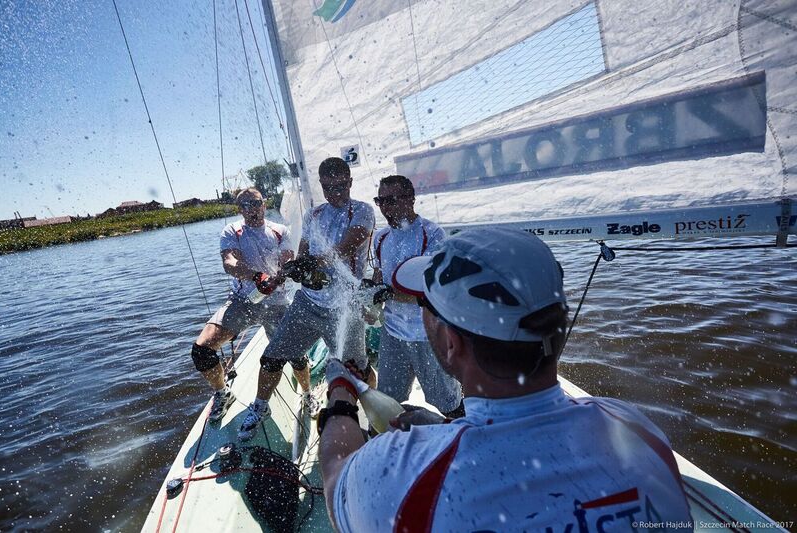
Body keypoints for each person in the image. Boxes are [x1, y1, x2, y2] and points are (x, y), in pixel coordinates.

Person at [318, 228, 693, 532]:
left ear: (451, 343)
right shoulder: (635, 430)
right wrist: (445, 428)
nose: (422, 311)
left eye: (424, 304)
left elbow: (336, 479)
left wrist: (341, 394)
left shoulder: (399, 475)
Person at [237, 157, 376, 441]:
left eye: (340, 186)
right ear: (321, 185)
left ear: (350, 182)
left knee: (357, 371)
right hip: (308, 303)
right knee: (271, 358)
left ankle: (372, 410)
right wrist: (298, 267)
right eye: (328, 187)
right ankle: (260, 406)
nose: (334, 192)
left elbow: (348, 245)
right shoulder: (313, 214)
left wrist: (315, 262)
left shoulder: (363, 211)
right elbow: (303, 251)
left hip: (344, 307)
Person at [190, 188, 312, 423]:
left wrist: (282, 273)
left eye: (255, 203)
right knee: (202, 351)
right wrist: (257, 276)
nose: (252, 209)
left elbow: (287, 257)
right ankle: (223, 393)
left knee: (296, 354)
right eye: (245, 205)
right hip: (243, 301)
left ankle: (307, 394)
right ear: (240, 210)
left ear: (263, 204)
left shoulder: (279, 231)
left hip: (276, 304)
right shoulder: (232, 231)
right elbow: (229, 261)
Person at [368, 175, 463, 417]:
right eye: (380, 201)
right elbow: (379, 277)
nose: (385, 207)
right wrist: (368, 294)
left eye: (391, 200)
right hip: (392, 334)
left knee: (449, 405)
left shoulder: (432, 234)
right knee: (388, 404)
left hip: (427, 335)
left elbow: (432, 292)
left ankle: (465, 436)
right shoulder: (380, 237)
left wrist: (387, 293)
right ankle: (391, 439)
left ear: (410, 199)